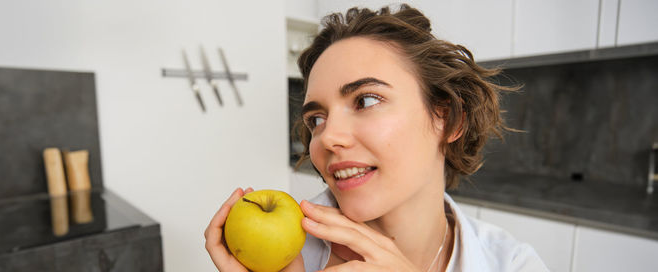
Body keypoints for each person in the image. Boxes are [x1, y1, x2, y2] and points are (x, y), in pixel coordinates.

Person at [206, 4, 548, 272]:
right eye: (317, 119)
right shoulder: (275, 262)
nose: (328, 138)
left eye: (365, 100)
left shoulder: (513, 264)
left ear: (448, 118)